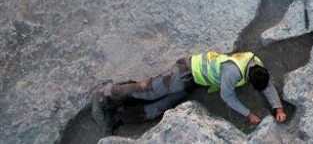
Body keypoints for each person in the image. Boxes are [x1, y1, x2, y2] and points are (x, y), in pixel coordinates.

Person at [91, 51, 287, 129]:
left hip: (194, 80)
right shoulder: (232, 74)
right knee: (149, 90)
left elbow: (267, 85)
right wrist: (248, 114)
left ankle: (119, 116)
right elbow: (227, 96)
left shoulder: (256, 64)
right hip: (185, 72)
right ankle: (106, 94)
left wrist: (277, 108)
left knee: (162, 106)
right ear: (248, 80)